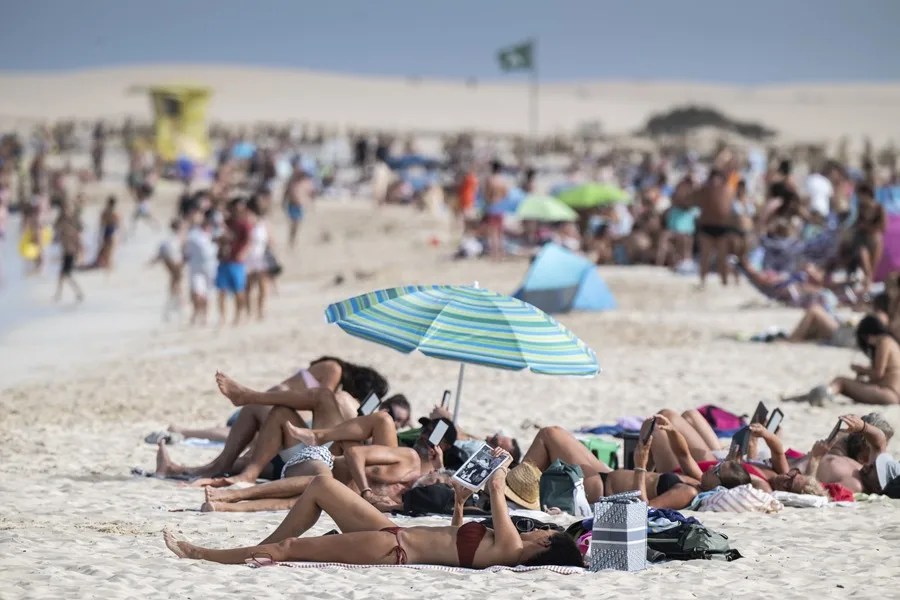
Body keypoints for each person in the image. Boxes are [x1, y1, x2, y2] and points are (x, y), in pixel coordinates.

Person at [163, 465, 583, 568]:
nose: (541, 528)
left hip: (392, 547)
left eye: (546, 530)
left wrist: (498, 467)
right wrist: (458, 502)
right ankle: (261, 543)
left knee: (289, 550)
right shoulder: (501, 547)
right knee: (323, 484)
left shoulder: (511, 548)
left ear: (546, 542)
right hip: (395, 531)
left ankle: (202, 554)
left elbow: (497, 491)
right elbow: (459, 537)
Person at [154, 358, 388, 483]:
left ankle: (184, 464)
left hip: (319, 456)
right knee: (272, 416)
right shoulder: (335, 372)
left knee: (317, 399)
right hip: (311, 450)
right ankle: (194, 467)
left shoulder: (351, 401)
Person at [796, 316, 900, 405]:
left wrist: (861, 369)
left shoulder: (883, 342)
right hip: (892, 392)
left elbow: (878, 374)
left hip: (889, 393)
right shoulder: (891, 342)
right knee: (847, 383)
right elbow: (885, 372)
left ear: (868, 335)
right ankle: (817, 395)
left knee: (841, 381)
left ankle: (825, 394)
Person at [805, 415, 891, 493]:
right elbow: (880, 440)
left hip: (800, 471)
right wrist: (863, 427)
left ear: (878, 488)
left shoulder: (855, 485)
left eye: (876, 470)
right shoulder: (870, 470)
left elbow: (814, 492)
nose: (869, 465)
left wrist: (814, 459)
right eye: (875, 464)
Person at [215, 198, 252, 325]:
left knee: (238, 290)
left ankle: (238, 315)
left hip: (236, 261)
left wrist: (243, 253)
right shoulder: (226, 223)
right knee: (221, 290)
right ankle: (222, 317)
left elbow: (249, 241)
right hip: (224, 260)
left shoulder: (244, 224)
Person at [694, 170, 734, 287]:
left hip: (722, 227)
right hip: (707, 226)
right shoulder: (705, 191)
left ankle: (724, 281)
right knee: (705, 256)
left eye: (717, 179)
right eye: (713, 179)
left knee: (723, 257)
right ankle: (703, 281)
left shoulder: (728, 191)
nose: (714, 182)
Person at [184, 209, 218, 325]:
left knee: (208, 293)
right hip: (196, 267)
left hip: (211, 267)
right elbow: (186, 250)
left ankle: (205, 316)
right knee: (197, 293)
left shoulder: (215, 234)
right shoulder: (193, 234)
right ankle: (196, 313)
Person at [149, 219, 185, 322]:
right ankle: (174, 310)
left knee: (175, 288)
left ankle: (172, 310)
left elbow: (160, 255)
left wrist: (152, 262)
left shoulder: (169, 241)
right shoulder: (175, 240)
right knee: (176, 288)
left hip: (175, 266)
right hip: (175, 266)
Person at [245, 193, 271, 320]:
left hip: (259, 255)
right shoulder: (250, 220)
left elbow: (270, 239)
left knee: (260, 286)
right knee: (250, 286)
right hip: (251, 255)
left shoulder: (263, 221)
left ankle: (258, 311)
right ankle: (252, 311)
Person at [53, 201, 84, 302]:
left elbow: (79, 235)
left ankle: (77, 292)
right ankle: (59, 294)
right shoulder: (61, 220)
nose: (66, 211)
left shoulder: (73, 221)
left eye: (68, 208)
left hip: (71, 250)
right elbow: (55, 231)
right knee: (62, 274)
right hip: (65, 250)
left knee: (66, 274)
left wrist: (80, 251)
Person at [283, 170, 313, 249]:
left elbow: (309, 193)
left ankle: (293, 240)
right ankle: (291, 240)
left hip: (299, 206)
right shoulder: (292, 183)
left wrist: (308, 202)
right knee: (294, 224)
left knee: (297, 224)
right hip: (292, 205)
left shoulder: (303, 183)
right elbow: (286, 194)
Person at [92, 196, 120, 269]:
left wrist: (98, 234)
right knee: (109, 249)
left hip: (106, 230)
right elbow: (118, 225)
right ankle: (108, 264)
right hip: (111, 231)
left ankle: (104, 262)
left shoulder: (105, 212)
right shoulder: (115, 213)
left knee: (105, 247)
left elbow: (101, 224)